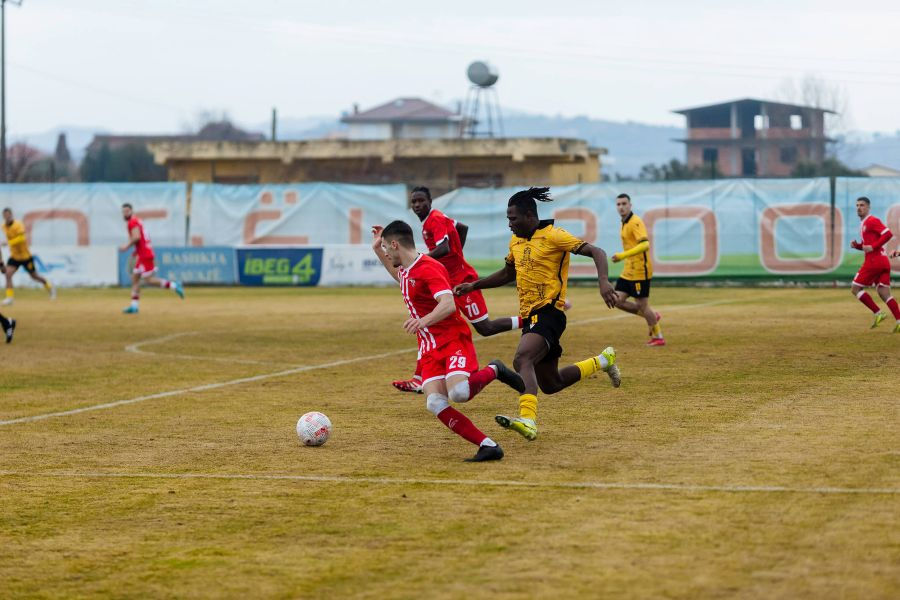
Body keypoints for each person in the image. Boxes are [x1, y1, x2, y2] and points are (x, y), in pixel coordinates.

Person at [453, 187, 621, 441]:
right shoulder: (516, 241)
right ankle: (603, 361)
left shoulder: (554, 236)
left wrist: (604, 282)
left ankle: (528, 420)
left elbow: (597, 252)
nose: (509, 224)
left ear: (530, 216)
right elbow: (508, 273)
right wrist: (474, 285)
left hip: (550, 313)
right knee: (551, 383)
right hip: (530, 316)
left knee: (522, 358)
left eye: (513, 219)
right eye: (508, 219)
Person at [371, 220, 526, 462]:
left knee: (460, 393)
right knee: (434, 403)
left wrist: (423, 321)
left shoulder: (429, 268)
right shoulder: (406, 270)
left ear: (395, 244)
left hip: (453, 339)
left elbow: (448, 304)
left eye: (386, 248)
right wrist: (377, 249)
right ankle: (488, 446)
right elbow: (398, 276)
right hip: (429, 348)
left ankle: (495, 369)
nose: (386, 254)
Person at [392, 186, 523, 394]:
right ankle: (419, 377)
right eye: (414, 201)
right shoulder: (433, 220)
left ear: (430, 201)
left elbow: (444, 247)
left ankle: (529, 320)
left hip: (462, 282)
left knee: (485, 328)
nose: (417, 205)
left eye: (421, 201)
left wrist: (424, 261)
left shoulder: (434, 219)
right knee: (428, 322)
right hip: (447, 282)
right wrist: (457, 255)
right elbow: (462, 228)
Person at [610, 194, 664, 346]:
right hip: (628, 270)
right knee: (616, 300)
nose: (621, 207)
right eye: (618, 204)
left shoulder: (635, 221)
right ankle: (652, 316)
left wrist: (622, 255)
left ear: (630, 205)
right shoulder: (624, 222)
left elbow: (645, 245)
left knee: (642, 305)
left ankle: (658, 337)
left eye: (624, 204)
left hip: (640, 271)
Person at [120, 203, 184, 313]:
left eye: (127, 211)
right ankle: (134, 306)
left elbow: (136, 237)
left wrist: (126, 246)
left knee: (148, 280)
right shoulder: (137, 221)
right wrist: (136, 251)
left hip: (145, 255)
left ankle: (174, 285)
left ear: (131, 211)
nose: (125, 213)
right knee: (135, 279)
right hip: (143, 253)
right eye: (123, 211)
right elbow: (141, 239)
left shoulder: (132, 222)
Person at [850, 196, 899, 333]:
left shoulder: (871, 220)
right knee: (884, 293)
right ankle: (899, 321)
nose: (859, 208)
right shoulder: (864, 223)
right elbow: (868, 246)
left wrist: (873, 246)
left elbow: (888, 234)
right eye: (857, 205)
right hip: (883, 261)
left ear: (868, 207)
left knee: (855, 288)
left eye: (862, 205)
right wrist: (858, 246)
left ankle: (878, 313)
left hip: (874, 262)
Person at [2, 208, 55, 305]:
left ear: (11, 215)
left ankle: (50, 287)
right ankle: (10, 298)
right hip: (14, 256)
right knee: (8, 274)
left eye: (8, 215)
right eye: (5, 215)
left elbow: (21, 238)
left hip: (25, 256)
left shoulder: (18, 224)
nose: (7, 217)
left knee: (34, 276)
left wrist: (8, 243)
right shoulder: (3, 226)